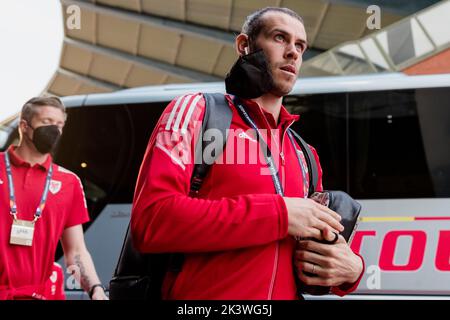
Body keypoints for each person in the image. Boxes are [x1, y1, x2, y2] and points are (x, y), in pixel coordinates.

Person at [131, 7, 364, 300]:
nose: (293, 52)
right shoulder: (197, 111)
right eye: (280, 38)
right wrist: (279, 214)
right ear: (244, 45)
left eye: (300, 46)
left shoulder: (305, 153)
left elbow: (314, 257)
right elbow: (152, 221)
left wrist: (352, 270)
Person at [0, 96, 107, 300]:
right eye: (46, 122)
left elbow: (75, 251)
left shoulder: (69, 182)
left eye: (59, 124)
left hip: (41, 295)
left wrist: (96, 289)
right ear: (24, 126)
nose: (54, 130)